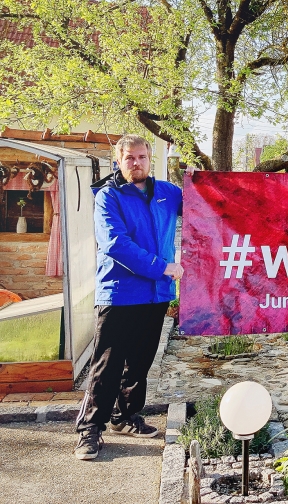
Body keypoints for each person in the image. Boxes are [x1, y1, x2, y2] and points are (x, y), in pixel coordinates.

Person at [75, 134, 184, 460]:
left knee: (139, 364)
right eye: (129, 158)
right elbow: (115, 244)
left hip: (156, 295)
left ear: (150, 159)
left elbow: (208, 206)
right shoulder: (109, 196)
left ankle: (126, 417)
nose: (136, 163)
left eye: (141, 157)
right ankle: (89, 430)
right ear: (118, 161)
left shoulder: (167, 193)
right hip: (120, 294)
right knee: (106, 366)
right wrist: (162, 267)